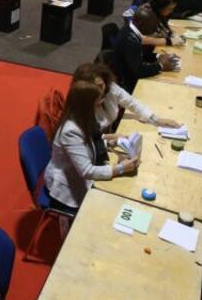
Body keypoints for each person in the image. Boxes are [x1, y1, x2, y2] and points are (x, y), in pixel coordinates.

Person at [43, 80, 141, 211]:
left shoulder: (84, 116)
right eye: (98, 102)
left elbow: (87, 144)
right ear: (87, 105)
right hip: (67, 189)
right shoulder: (70, 131)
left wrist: (110, 143)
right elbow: (86, 171)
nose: (101, 105)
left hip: (78, 174)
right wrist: (121, 168)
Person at [74, 62, 180, 132]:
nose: (100, 92)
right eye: (94, 89)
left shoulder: (110, 88)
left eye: (101, 86)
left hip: (108, 136)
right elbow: (88, 144)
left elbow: (131, 102)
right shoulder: (80, 110)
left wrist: (156, 119)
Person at [111, 4, 177, 93]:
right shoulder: (130, 40)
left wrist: (158, 56)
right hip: (127, 82)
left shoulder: (130, 29)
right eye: (152, 26)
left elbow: (139, 53)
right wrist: (161, 66)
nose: (153, 30)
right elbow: (138, 71)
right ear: (143, 25)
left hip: (129, 71)